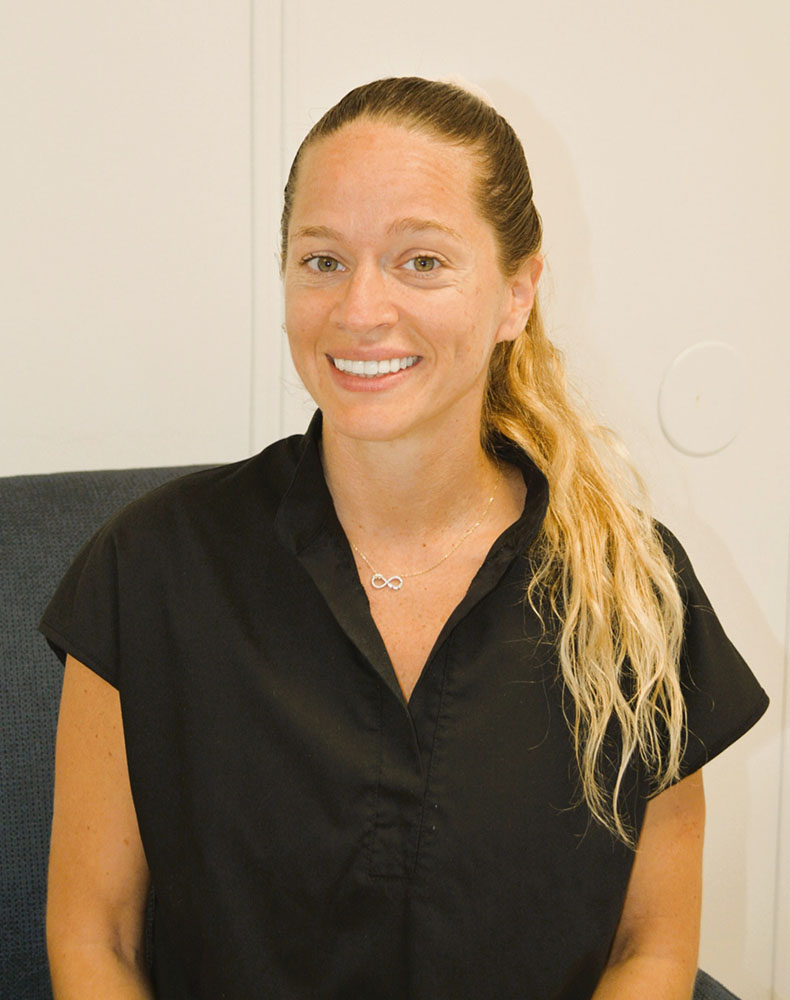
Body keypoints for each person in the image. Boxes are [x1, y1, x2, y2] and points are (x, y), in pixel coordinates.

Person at [41, 77, 768, 999]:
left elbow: (651, 951)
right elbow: (95, 939)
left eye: (422, 261)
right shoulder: (149, 568)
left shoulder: (631, 585)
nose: (359, 310)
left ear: (517, 292)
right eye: (323, 260)